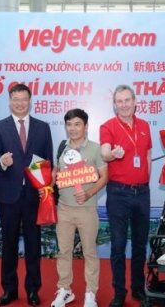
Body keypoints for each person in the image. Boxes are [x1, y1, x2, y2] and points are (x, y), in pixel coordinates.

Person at [0, 83, 53, 306]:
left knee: (34, 244)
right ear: (9, 100)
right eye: (15, 99)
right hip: (8, 195)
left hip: (34, 195)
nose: (19, 102)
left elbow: (48, 162)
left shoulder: (43, 128)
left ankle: (33, 290)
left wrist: (46, 189)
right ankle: (9, 290)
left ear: (30, 100)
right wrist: (1, 161)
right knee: (8, 244)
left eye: (23, 98)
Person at [99, 84, 152, 307]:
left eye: (127, 100)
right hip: (118, 193)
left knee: (140, 245)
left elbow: (148, 153)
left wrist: (145, 179)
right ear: (114, 105)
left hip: (142, 192)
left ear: (135, 101)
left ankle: (139, 289)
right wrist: (112, 154)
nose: (124, 105)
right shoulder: (108, 126)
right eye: (119, 101)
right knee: (119, 245)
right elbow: (104, 152)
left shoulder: (144, 125)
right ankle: (119, 292)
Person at [50, 109, 108, 307]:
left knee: (90, 252)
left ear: (85, 126)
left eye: (77, 124)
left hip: (87, 210)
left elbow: (104, 177)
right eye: (69, 124)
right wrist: (44, 184)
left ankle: (91, 293)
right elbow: (55, 174)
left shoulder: (95, 149)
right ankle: (65, 290)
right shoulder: (62, 148)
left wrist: (89, 193)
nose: (73, 128)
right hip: (63, 208)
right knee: (63, 251)